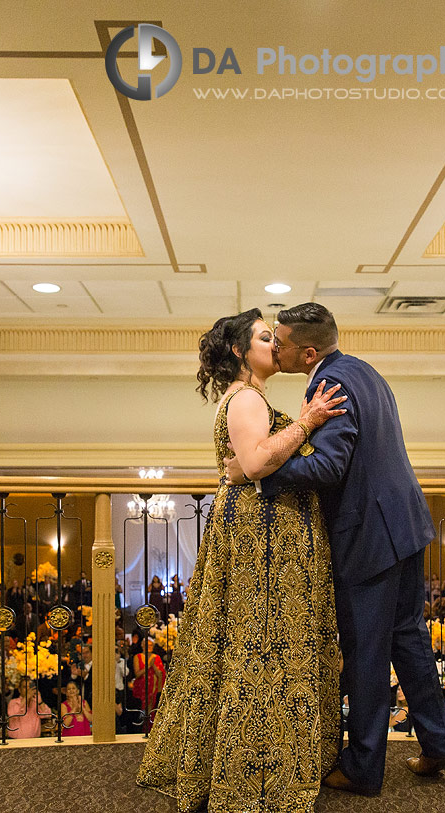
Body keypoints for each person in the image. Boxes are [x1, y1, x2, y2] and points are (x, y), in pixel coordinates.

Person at [228, 303, 445, 795]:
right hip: (406, 524)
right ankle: (439, 742)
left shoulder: (326, 384)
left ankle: (363, 768)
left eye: (283, 343)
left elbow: (330, 467)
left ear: (308, 352)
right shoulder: (365, 371)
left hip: (369, 537)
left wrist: (257, 473)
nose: (277, 348)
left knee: (367, 653)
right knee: (408, 638)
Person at [137, 309, 346, 812]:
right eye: (263, 337)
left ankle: (261, 760)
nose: (274, 344)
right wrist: (308, 422)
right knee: (260, 644)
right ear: (238, 351)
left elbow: (251, 462)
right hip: (261, 534)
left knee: (261, 645)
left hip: (267, 528)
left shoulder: (252, 397)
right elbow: (254, 463)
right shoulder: (247, 397)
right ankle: (253, 769)